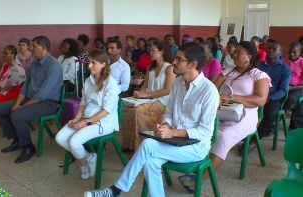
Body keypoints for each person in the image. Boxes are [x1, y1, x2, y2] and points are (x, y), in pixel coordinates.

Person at [83, 42, 219, 197]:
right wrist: (166, 126)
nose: (174, 62)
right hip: (174, 140)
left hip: (196, 147)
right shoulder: (178, 84)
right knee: (150, 162)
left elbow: (204, 131)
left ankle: (116, 190)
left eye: (179, 59)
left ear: (192, 65)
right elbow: (169, 112)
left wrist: (173, 132)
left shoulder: (209, 91)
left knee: (148, 145)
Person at [178, 41, 271, 193]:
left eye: (238, 52)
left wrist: (231, 97)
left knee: (222, 136)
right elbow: (211, 91)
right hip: (222, 113)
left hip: (245, 117)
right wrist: (217, 99)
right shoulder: (227, 72)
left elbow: (260, 100)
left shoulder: (259, 75)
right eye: (233, 51)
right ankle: (197, 164)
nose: (233, 54)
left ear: (249, 55)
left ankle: (201, 178)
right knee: (200, 129)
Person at [0, 36, 63, 164]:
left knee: (17, 114)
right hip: (31, 99)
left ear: (43, 47)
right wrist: (18, 103)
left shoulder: (54, 65)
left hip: (47, 103)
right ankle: (17, 139)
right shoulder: (35, 63)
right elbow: (25, 87)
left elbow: (42, 94)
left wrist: (19, 108)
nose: (31, 48)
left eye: (34, 46)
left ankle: (29, 147)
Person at [55, 49, 120, 180]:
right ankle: (89, 157)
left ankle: (83, 164)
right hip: (87, 118)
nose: (89, 66)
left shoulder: (111, 84)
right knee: (60, 138)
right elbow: (83, 102)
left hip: (105, 122)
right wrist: (77, 118)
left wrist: (86, 122)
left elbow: (106, 111)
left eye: (93, 63)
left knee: (74, 142)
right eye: (89, 62)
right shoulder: (89, 80)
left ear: (103, 64)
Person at [121, 40, 176, 156]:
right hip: (150, 99)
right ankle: (128, 144)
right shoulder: (151, 66)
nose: (149, 53)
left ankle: (139, 147)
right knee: (126, 108)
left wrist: (146, 95)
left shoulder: (169, 68)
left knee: (138, 111)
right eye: (150, 50)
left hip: (164, 101)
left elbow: (167, 90)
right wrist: (138, 95)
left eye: (153, 51)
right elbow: (145, 86)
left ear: (161, 52)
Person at [239, 41, 291, 151]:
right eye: (269, 48)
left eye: (274, 49)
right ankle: (243, 133)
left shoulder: (285, 69)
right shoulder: (259, 65)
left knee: (270, 113)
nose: (270, 50)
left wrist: (269, 98)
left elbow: (283, 90)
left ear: (280, 52)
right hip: (256, 94)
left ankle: (254, 140)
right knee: (242, 106)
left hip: (273, 97)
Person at [282, 41, 303, 116]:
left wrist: (291, 88)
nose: (291, 54)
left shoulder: (302, 63)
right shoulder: (283, 61)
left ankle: (280, 116)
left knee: (290, 98)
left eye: (294, 52)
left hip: (296, 88)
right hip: (283, 85)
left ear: (300, 51)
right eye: (290, 52)